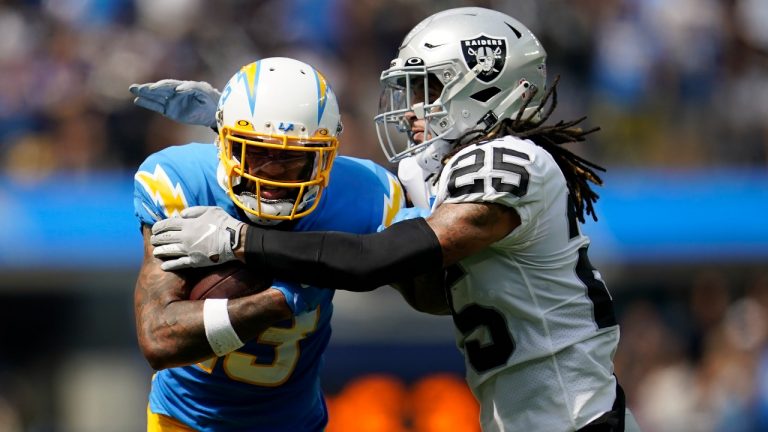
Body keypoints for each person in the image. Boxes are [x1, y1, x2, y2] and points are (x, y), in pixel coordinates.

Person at [144, 8, 643, 431]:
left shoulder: (512, 164)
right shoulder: (439, 172)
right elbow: (338, 194)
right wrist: (242, 121)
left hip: (575, 415)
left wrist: (240, 240)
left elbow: (372, 259)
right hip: (524, 413)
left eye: (427, 88)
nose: (411, 110)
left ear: (485, 88)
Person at [131, 57, 409, 431]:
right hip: (186, 421)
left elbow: (434, 298)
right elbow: (159, 339)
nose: (273, 173)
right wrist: (281, 298)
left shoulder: (365, 193)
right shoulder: (185, 181)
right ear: (223, 142)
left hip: (295, 422)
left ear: (326, 156)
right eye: (258, 152)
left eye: (292, 157)